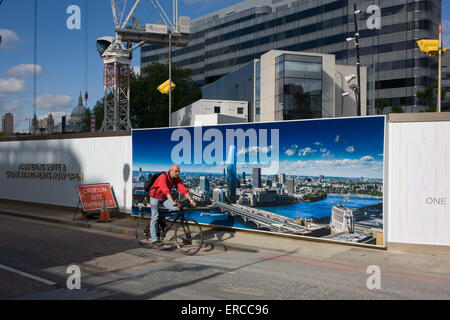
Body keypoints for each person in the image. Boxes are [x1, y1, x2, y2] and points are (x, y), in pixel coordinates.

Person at [148, 164, 197, 246]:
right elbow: (166, 191)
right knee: (155, 216)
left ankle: (162, 219)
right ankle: (154, 239)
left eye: (178, 172)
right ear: (170, 171)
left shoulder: (176, 178)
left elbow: (183, 189)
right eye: (176, 171)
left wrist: (191, 200)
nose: (177, 173)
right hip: (155, 197)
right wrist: (173, 202)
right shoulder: (162, 177)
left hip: (164, 197)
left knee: (176, 209)